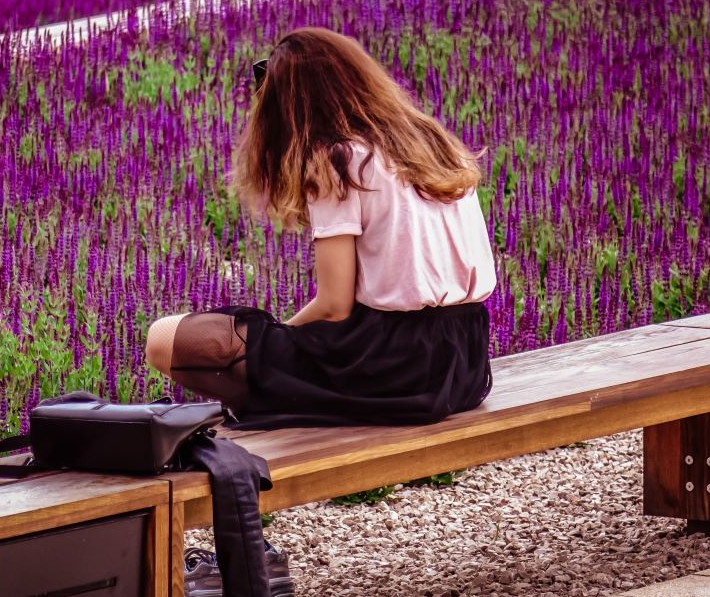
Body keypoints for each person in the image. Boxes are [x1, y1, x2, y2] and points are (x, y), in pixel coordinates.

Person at [146, 26, 497, 428]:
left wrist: (276, 339)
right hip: (466, 364)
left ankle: (275, 403)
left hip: (392, 368)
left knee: (166, 338)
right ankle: (280, 400)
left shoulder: (341, 159)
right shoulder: (433, 141)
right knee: (259, 348)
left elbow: (334, 306)